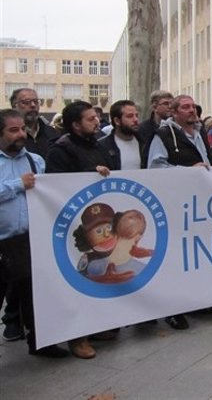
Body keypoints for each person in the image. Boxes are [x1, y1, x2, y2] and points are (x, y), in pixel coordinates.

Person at [147, 95, 212, 328]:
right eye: (185, 107)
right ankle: (174, 310)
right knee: (177, 258)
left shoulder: (200, 133)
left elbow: (205, 161)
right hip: (176, 205)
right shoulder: (163, 136)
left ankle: (202, 300)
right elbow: (155, 167)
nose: (192, 110)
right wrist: (187, 171)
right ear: (174, 112)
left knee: (199, 256)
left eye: (193, 106)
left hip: (200, 206)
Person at [46, 101, 114, 358]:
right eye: (90, 119)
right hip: (76, 227)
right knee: (78, 279)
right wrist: (88, 173)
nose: (97, 122)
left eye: (96, 118)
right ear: (75, 125)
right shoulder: (60, 150)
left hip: (98, 222)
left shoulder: (98, 145)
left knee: (100, 276)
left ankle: (95, 327)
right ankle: (77, 338)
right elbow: (57, 185)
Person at [0, 109, 69, 358]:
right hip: (2, 241)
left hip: (28, 240)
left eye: (22, 129)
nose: (21, 134)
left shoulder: (35, 161)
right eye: (13, 130)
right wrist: (17, 185)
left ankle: (40, 342)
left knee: (34, 294)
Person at [99, 100, 144, 171]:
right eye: (130, 116)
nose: (135, 119)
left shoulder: (145, 142)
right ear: (117, 121)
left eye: (136, 115)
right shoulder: (102, 146)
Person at [138, 90, 174, 164]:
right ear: (155, 107)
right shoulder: (143, 129)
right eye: (166, 103)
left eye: (172, 103)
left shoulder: (176, 127)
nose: (170, 107)